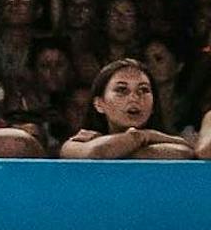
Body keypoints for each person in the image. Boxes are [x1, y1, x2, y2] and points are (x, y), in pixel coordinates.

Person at [62, 57, 196, 159]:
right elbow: (98, 152)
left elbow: (185, 153)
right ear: (99, 104)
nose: (134, 98)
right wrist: (143, 137)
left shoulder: (178, 147)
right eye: (122, 90)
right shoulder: (76, 143)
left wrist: (138, 138)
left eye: (143, 90)